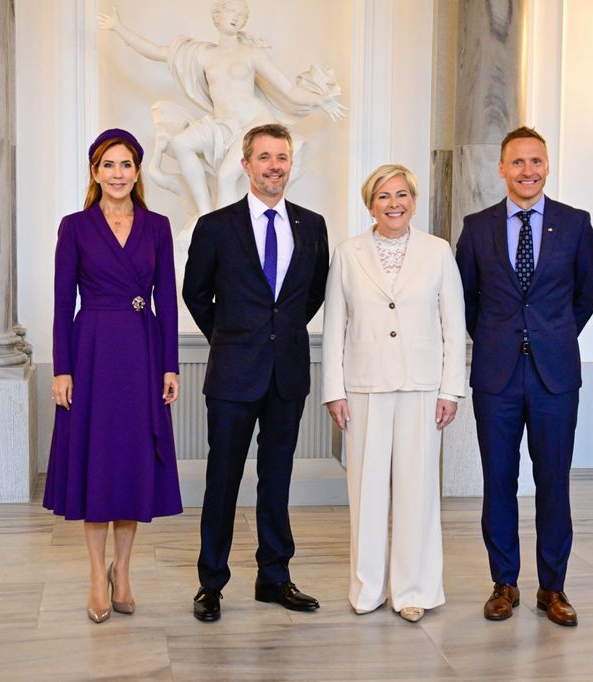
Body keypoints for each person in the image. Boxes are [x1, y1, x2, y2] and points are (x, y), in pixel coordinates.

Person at [182, 123, 329, 622]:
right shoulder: (216, 226)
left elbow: (311, 295)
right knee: (222, 479)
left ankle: (274, 577)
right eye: (264, 157)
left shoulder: (312, 226)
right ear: (246, 164)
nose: (274, 166)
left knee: (278, 477)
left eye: (282, 157)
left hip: (286, 372)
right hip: (232, 374)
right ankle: (211, 583)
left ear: (291, 164)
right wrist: (231, 335)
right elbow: (196, 294)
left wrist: (279, 332)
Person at [455, 126, 593, 627]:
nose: (528, 171)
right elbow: (466, 301)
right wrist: (501, 337)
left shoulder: (575, 224)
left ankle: (553, 588)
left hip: (554, 376)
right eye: (517, 162)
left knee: (553, 481)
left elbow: (586, 296)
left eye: (536, 161)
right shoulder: (476, 228)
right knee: (498, 480)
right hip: (496, 376)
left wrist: (550, 336)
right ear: (501, 168)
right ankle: (504, 583)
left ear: (548, 165)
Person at [43, 128, 183, 624]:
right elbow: (62, 304)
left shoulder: (158, 226)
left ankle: (122, 572)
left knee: (131, 463)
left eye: (126, 165)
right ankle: (94, 572)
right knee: (97, 463)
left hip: (143, 354)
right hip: (93, 352)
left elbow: (166, 299)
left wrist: (170, 364)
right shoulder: (75, 226)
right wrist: (62, 368)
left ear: (137, 171)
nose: (118, 174)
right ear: (95, 172)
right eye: (109, 165)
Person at [321, 164, 466, 623]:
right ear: (370, 204)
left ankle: (413, 589)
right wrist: (333, 391)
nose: (394, 203)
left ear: (414, 200)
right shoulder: (348, 253)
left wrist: (451, 389)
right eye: (384, 196)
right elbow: (333, 328)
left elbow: (453, 325)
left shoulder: (438, 251)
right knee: (364, 491)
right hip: (363, 386)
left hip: (423, 386)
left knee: (417, 489)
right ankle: (366, 589)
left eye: (402, 194)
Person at [98, 0, 344, 216]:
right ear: (217, 16)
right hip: (223, 125)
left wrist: (318, 99)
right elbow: (156, 52)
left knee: (227, 177)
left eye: (243, 15)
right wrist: (118, 28)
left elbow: (288, 90)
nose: (238, 17)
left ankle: (225, 236)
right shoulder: (202, 54)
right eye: (233, 12)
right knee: (182, 144)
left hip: (254, 124)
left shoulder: (252, 53)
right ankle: (206, 214)